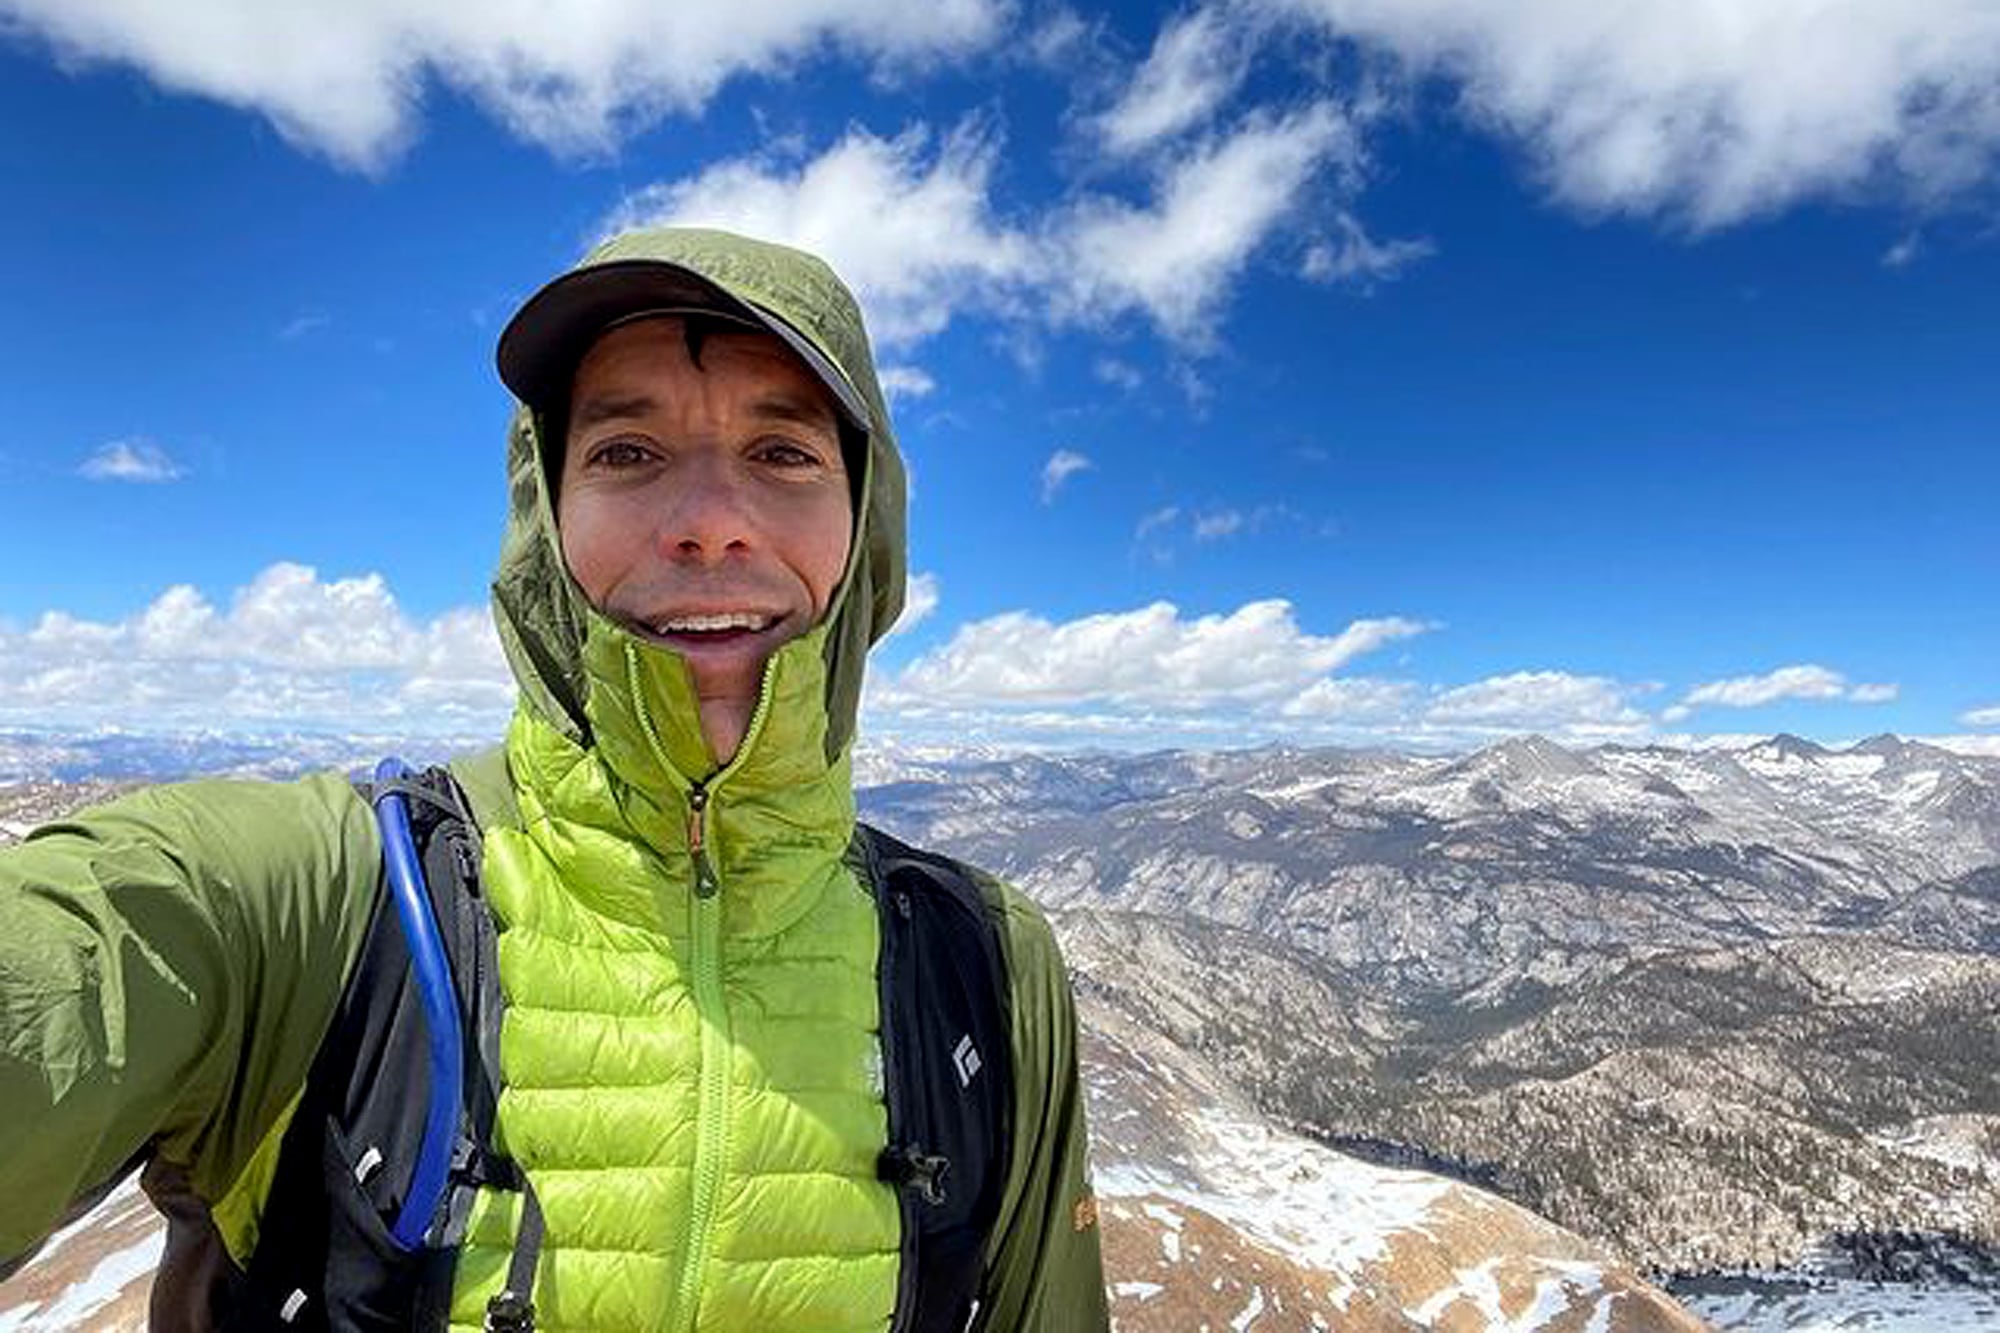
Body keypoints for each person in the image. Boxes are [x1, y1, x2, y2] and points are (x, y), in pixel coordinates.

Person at [0, 227, 1110, 1330]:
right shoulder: (324, 906)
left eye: (783, 454)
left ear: (865, 525)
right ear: (547, 519)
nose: (710, 523)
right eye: (626, 453)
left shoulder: (988, 970)